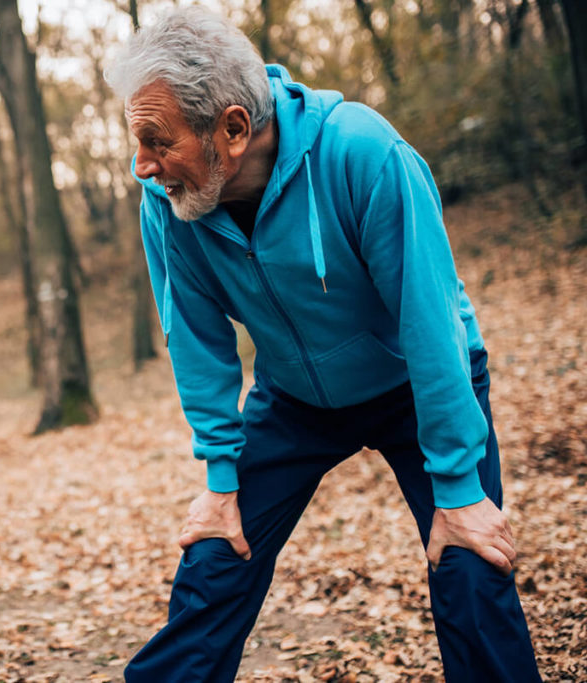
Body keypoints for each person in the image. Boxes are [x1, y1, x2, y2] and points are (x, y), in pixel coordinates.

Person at [105, 7, 541, 682]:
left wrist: (457, 485)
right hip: (296, 397)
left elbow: (429, 321)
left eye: (157, 141)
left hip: (419, 382)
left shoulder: (363, 154)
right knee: (217, 556)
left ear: (233, 128)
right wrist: (221, 477)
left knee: (469, 560)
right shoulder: (171, 206)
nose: (142, 165)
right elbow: (197, 341)